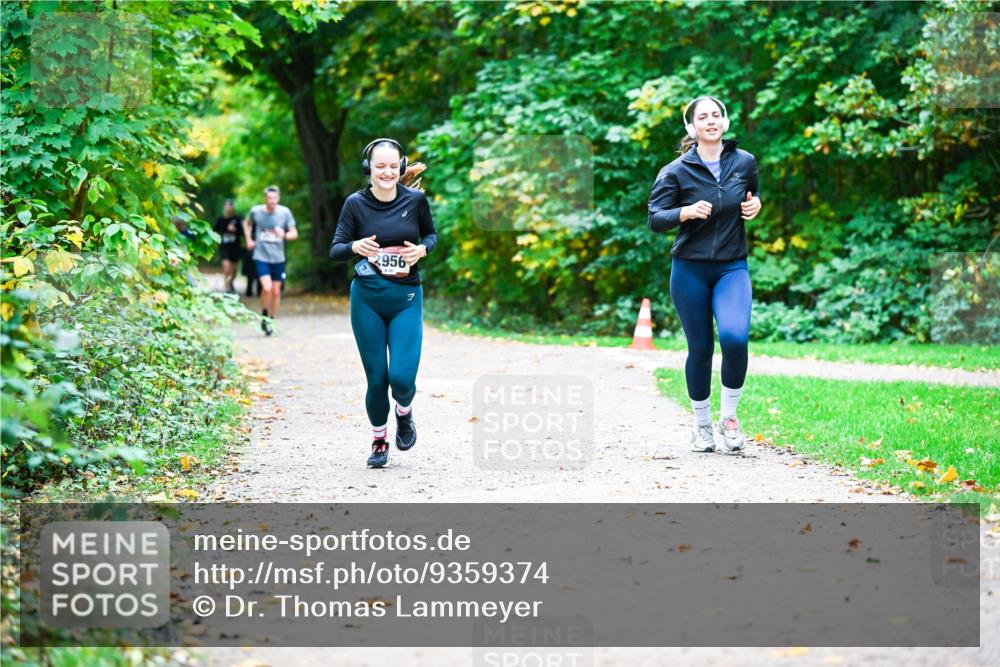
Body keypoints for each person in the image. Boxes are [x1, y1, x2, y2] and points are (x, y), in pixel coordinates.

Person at [647, 95, 762, 453]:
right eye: (703, 117)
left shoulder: (744, 162)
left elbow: (752, 195)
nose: (710, 121)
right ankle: (701, 426)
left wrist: (756, 204)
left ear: (724, 122)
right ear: (691, 127)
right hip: (690, 270)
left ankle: (729, 419)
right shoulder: (675, 170)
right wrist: (684, 212)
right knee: (700, 348)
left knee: (734, 338)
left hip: (732, 266)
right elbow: (655, 218)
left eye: (716, 115)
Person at [329, 138, 437, 468]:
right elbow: (335, 250)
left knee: (402, 379)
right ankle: (379, 440)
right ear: (368, 169)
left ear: (401, 167)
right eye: (380, 166)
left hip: (406, 298)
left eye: (393, 166)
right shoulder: (355, 204)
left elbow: (431, 235)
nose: (387, 172)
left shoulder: (416, 200)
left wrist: (423, 250)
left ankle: (404, 412)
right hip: (367, 301)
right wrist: (354, 246)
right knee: (377, 379)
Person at [243, 185, 297, 336]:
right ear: (265, 198)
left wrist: (284, 235)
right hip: (261, 255)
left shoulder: (284, 212)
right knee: (266, 288)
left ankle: (271, 319)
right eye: (269, 198)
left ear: (278, 198)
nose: (272, 201)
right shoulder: (256, 211)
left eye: (274, 198)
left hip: (278, 258)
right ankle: (265, 315)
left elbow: (294, 233)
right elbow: (247, 223)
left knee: (276, 291)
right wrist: (249, 239)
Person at [214, 198, 243, 294]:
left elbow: (243, 232)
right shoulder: (220, 220)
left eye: (229, 206)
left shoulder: (238, 219)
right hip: (224, 247)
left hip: (235, 247)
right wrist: (226, 229)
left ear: (233, 207)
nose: (228, 208)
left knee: (234, 270)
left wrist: (235, 230)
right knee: (226, 267)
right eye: (226, 206)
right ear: (224, 207)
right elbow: (215, 231)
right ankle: (226, 287)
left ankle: (231, 283)